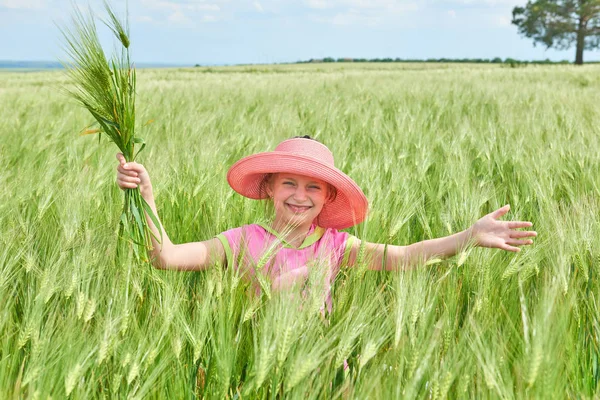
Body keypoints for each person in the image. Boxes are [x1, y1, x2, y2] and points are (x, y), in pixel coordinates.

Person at [115, 136, 537, 298]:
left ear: (328, 195)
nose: (300, 196)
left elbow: (405, 255)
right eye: (288, 184)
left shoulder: (335, 245)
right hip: (255, 371)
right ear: (268, 188)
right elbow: (165, 257)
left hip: (327, 370)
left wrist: (470, 235)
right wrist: (145, 196)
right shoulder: (242, 241)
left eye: (313, 186)